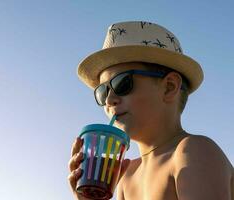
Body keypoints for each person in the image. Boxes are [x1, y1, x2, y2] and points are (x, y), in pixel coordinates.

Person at [68, 21, 234, 200]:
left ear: (169, 87)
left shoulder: (192, 151)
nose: (109, 100)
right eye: (102, 92)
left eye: (122, 83)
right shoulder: (127, 177)